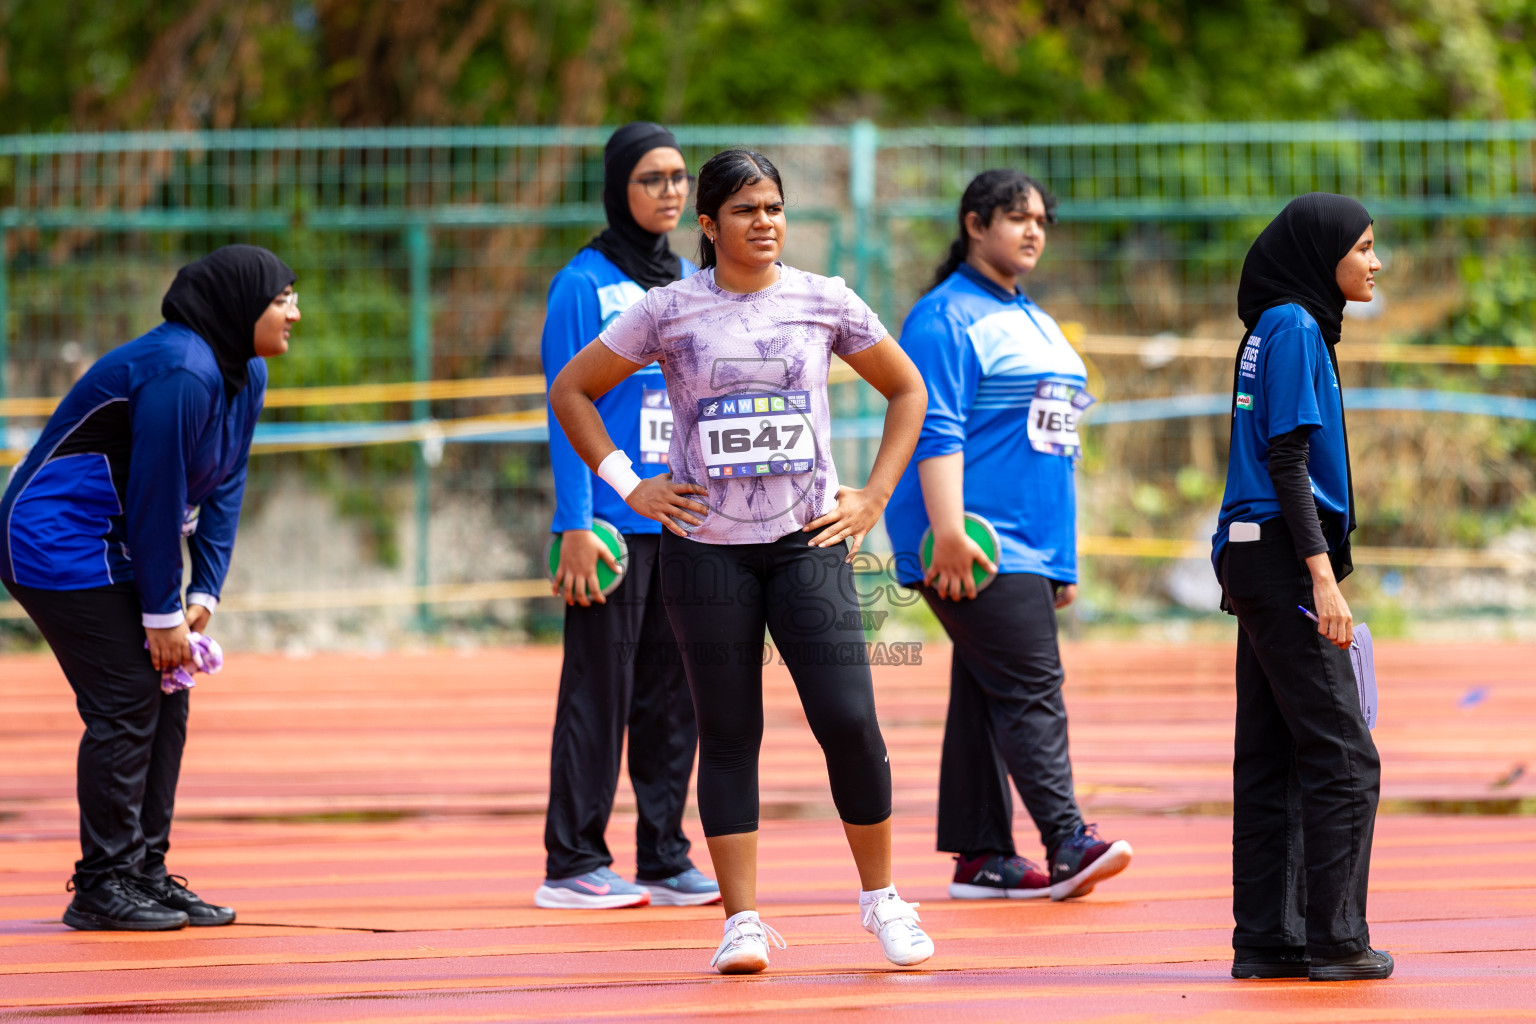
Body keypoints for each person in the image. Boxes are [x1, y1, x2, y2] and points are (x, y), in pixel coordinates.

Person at [549, 149, 933, 975]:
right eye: (748, 210)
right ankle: (743, 921)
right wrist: (631, 485)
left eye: (775, 208)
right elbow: (571, 390)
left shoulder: (823, 300)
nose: (765, 222)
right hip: (706, 554)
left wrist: (872, 497)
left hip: (806, 546)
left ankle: (882, 900)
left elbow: (908, 391)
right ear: (710, 225)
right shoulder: (668, 310)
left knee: (850, 722)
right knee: (728, 735)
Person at [0, 245, 299, 931]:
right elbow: (156, 496)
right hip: (55, 539)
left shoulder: (243, 373)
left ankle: (144, 873)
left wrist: (204, 593)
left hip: (123, 541)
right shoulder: (181, 372)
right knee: (129, 693)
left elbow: (225, 482)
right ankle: (102, 884)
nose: (295, 313)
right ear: (240, 305)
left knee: (170, 690)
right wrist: (162, 613)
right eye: (282, 299)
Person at [884, 169, 1133, 903]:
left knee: (991, 685)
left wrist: (1064, 559)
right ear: (974, 224)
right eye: (1016, 218)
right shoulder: (943, 318)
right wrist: (949, 531)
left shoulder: (1036, 319)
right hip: (975, 541)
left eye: (1041, 221)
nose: (1033, 232)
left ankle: (983, 855)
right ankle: (1067, 841)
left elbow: (1056, 448)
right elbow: (936, 425)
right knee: (1031, 685)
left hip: (1035, 543)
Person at [535, 122, 718, 910]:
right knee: (597, 693)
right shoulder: (584, 283)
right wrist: (575, 522)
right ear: (619, 187)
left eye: (679, 177)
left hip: (680, 521)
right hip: (609, 526)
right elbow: (563, 405)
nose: (670, 191)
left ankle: (663, 855)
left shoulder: (692, 282)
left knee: (676, 699)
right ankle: (573, 861)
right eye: (652, 178)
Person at [1212, 192, 1392, 983]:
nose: (1375, 261)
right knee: (1346, 757)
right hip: (1282, 554)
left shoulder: (1273, 327)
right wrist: (1324, 579)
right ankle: (1337, 940)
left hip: (1254, 552)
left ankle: (1268, 937)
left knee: (1273, 751)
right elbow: (1287, 460)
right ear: (1323, 256)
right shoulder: (1293, 327)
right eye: (1362, 247)